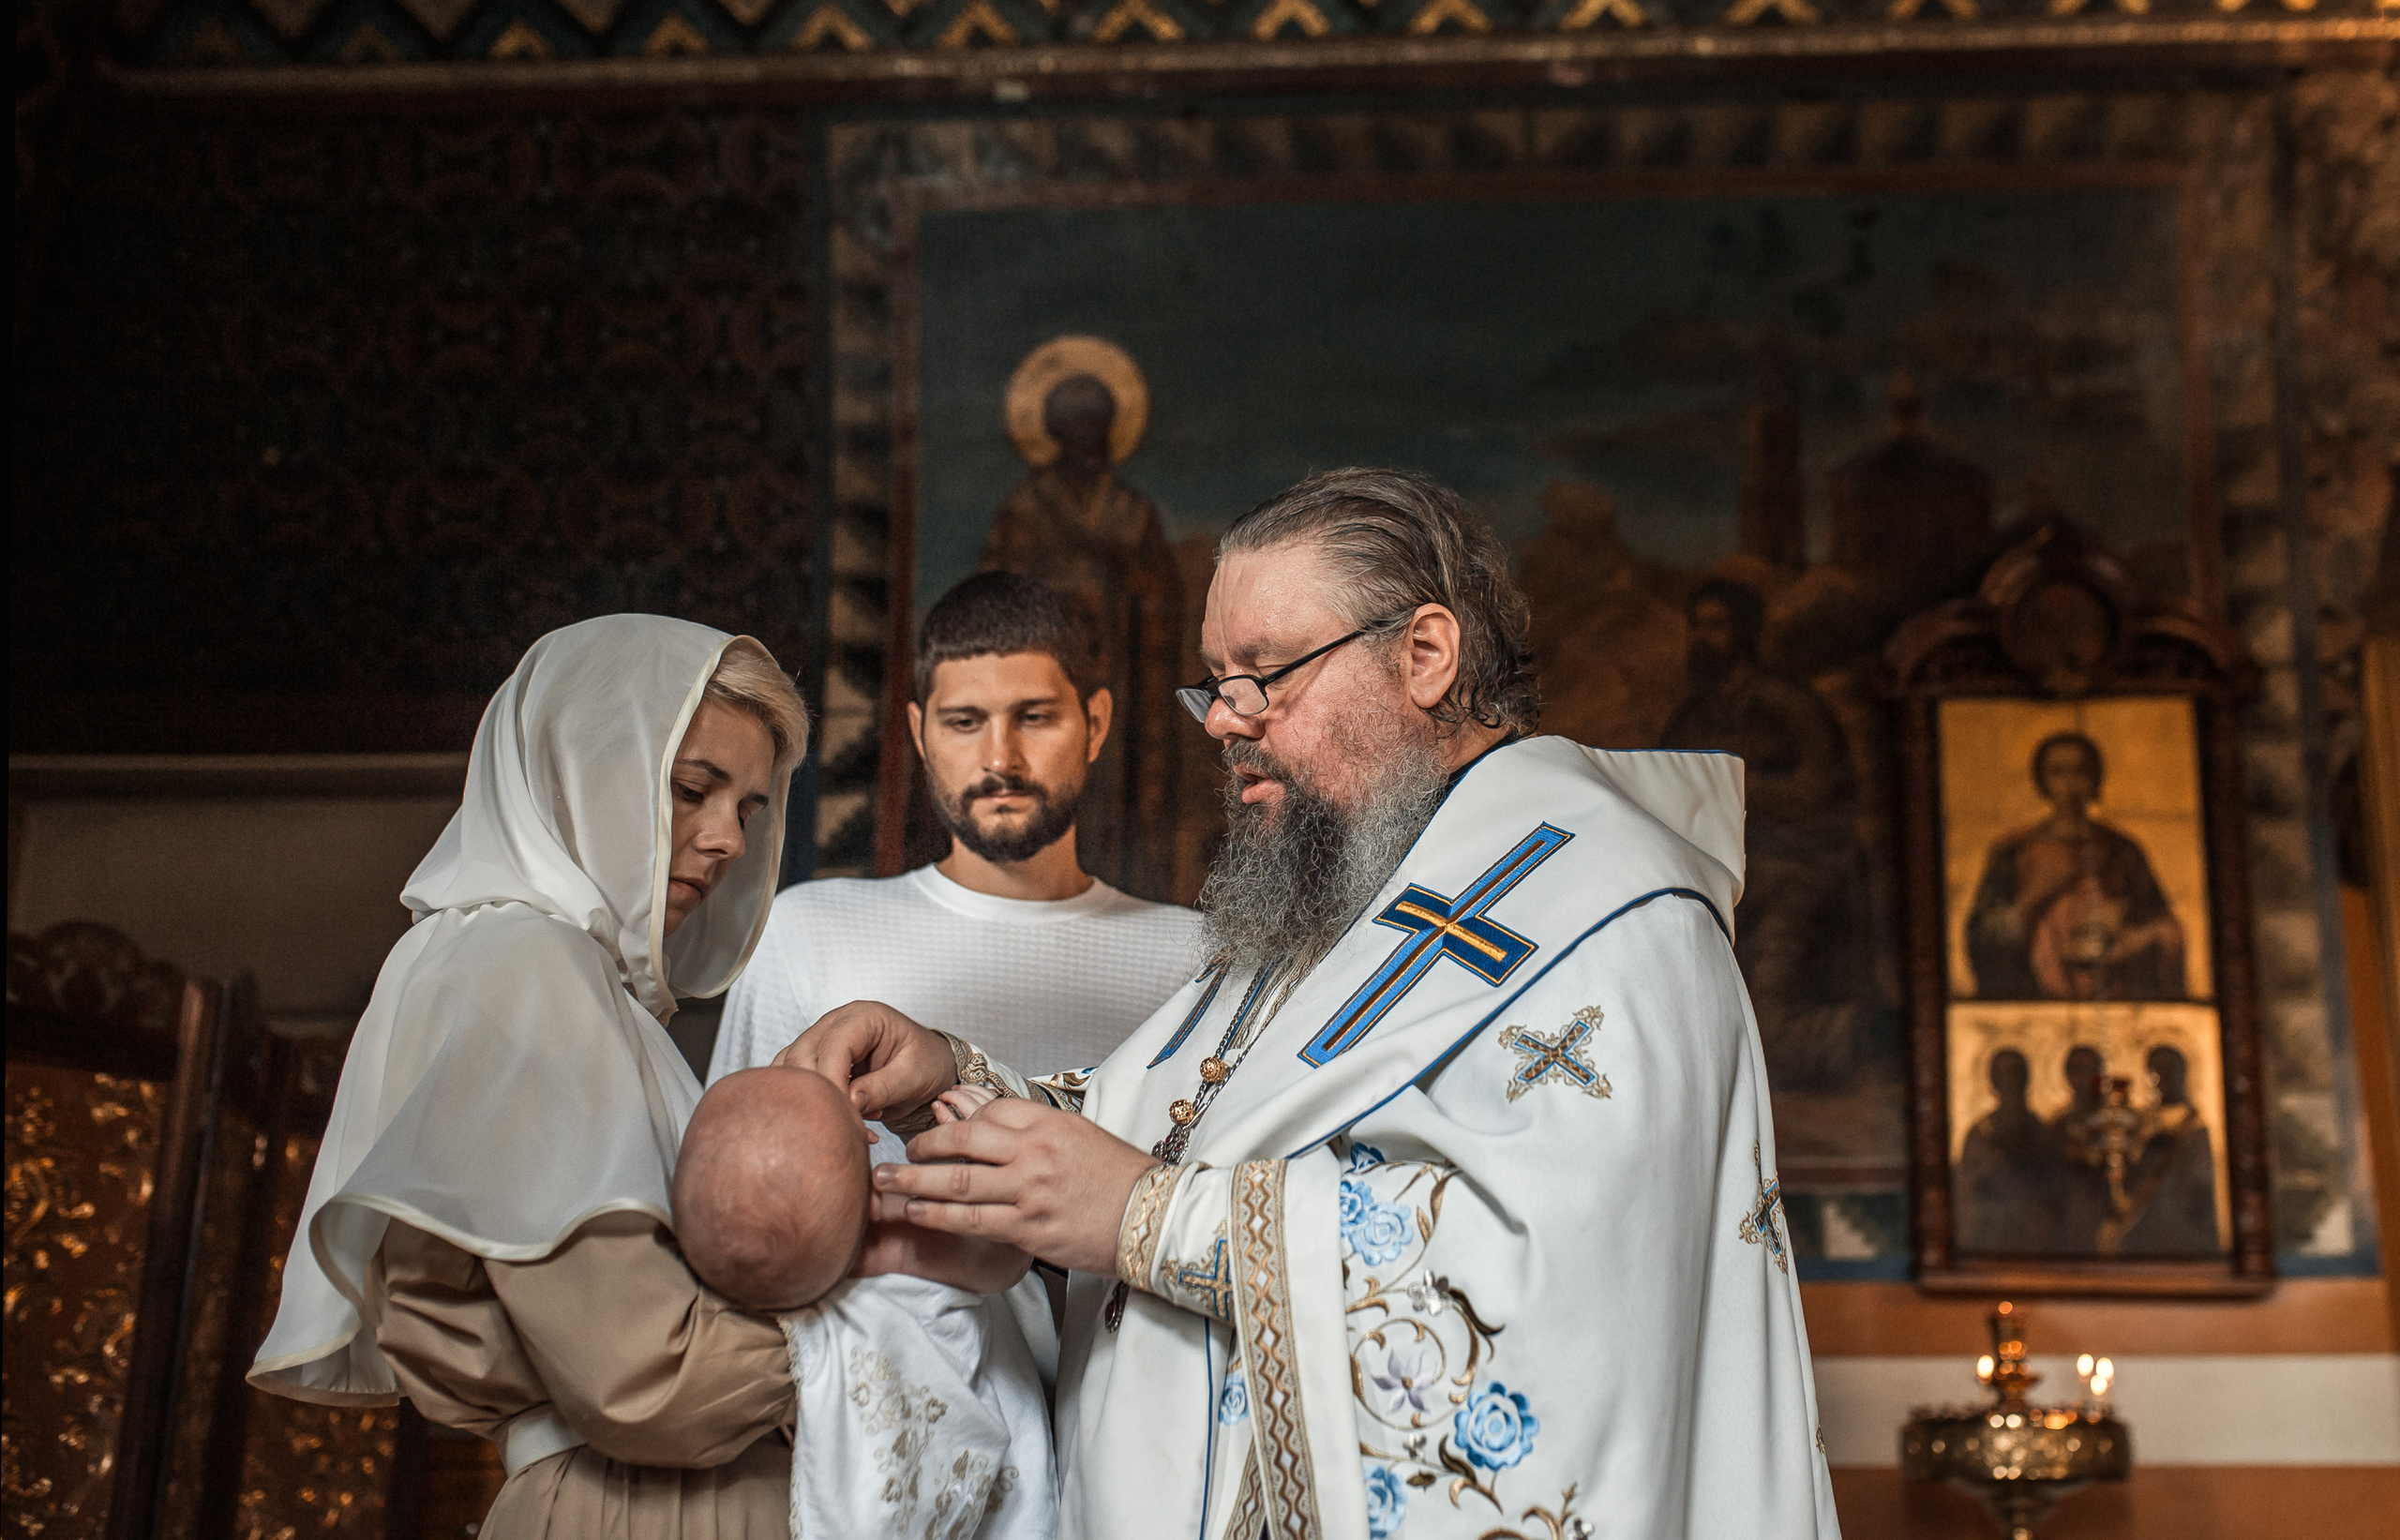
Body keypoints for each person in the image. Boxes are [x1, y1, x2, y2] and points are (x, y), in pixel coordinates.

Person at [780, 470, 1839, 1538]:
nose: (1224, 721)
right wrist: (957, 1092)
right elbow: (1174, 1132)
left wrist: (1146, 1220)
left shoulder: (1612, 911)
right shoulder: (1345, 887)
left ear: (1425, 655)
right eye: (1214, 683)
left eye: (1265, 675)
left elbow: (1557, 1293)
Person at [248, 615, 1016, 1536]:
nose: (726, 837)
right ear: (581, 766)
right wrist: (904, 1304)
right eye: (692, 789)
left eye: (749, 807)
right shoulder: (521, 966)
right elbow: (650, 1377)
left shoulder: (548, 978)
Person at [713, 570, 1200, 1098]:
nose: (999, 760)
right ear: (921, 734)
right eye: (964, 723)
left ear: (1097, 724)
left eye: (1034, 717)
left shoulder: (1195, 957)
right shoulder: (805, 932)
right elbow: (736, 1162)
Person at [674, 1069, 1057, 1540]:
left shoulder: (755, 1277)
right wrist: (982, 1146)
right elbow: (1010, 1255)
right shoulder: (901, 1230)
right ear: (875, 1187)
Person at [982, 338, 1186, 899]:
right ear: (1052, 426)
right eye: (1073, 421)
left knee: (1114, 789)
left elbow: (1162, 599)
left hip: (1118, 679)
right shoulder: (1026, 507)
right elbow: (990, 597)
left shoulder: (1131, 512)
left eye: (1093, 420)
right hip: (1039, 678)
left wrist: (1130, 580)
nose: (1083, 432)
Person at [1658, 576, 1872, 1089]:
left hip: (1797, 866)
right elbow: (1664, 788)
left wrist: (1743, 786)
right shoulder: (1694, 714)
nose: (1702, 638)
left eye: (1716, 626)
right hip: (1717, 869)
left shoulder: (1788, 704)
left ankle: (1841, 1040)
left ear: (1746, 632)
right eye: (1696, 626)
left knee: (1769, 986)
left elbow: (1824, 786)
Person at [1965, 731, 2186, 1001]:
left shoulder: (2121, 850)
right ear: (2042, 782)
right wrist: (2033, 896)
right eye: (2057, 773)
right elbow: (1981, 940)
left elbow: (2163, 926)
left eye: (2080, 772)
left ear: (2095, 779)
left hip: (2114, 992)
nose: (2070, 786)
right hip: (2035, 996)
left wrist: (2135, 940)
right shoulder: (2013, 851)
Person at [1952, 1048, 2061, 1254]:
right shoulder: (1981, 1133)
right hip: (1993, 1232)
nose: (2012, 1080)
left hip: (2036, 1233)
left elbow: (2055, 1184)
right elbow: (1966, 1186)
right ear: (1994, 1080)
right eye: (2005, 1073)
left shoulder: (2042, 1131)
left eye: (2017, 1072)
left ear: (2026, 1077)